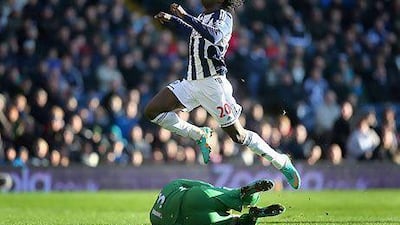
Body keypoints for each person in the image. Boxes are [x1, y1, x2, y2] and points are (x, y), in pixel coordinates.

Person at [144, 0, 301, 189]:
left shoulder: (224, 17)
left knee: (238, 136)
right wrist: (174, 20)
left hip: (213, 86)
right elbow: (195, 34)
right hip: (191, 82)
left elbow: (215, 36)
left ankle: (281, 161)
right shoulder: (202, 16)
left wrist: (185, 16)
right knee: (152, 111)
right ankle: (199, 134)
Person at [149, 178, 285, 225]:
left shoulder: (152, 217)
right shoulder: (172, 185)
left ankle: (253, 216)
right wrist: (217, 191)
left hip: (187, 221)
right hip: (193, 199)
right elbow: (202, 185)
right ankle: (247, 194)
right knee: (232, 195)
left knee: (233, 222)